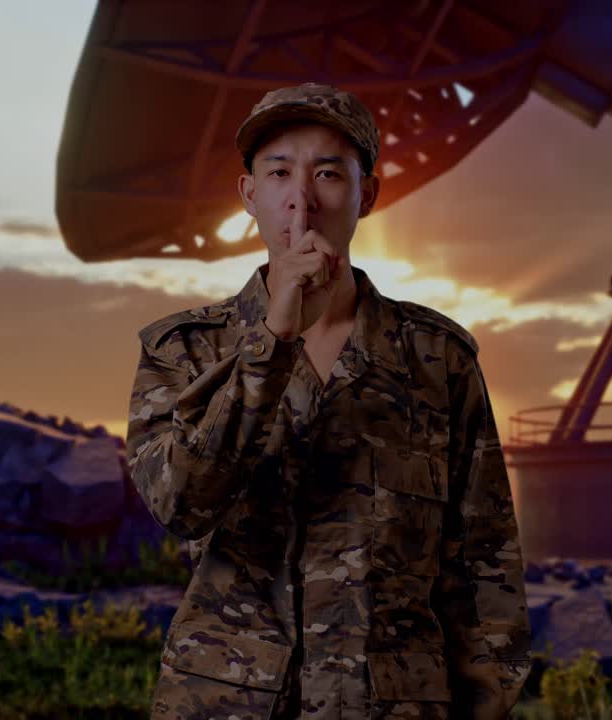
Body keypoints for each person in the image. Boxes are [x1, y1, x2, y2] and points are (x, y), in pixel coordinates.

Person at [125, 82, 531, 719]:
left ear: (366, 194)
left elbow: (485, 569)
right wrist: (272, 342)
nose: (302, 199)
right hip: (225, 700)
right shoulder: (184, 350)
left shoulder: (439, 357)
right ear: (249, 195)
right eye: (279, 171)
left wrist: (487, 705)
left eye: (328, 173)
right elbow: (181, 504)